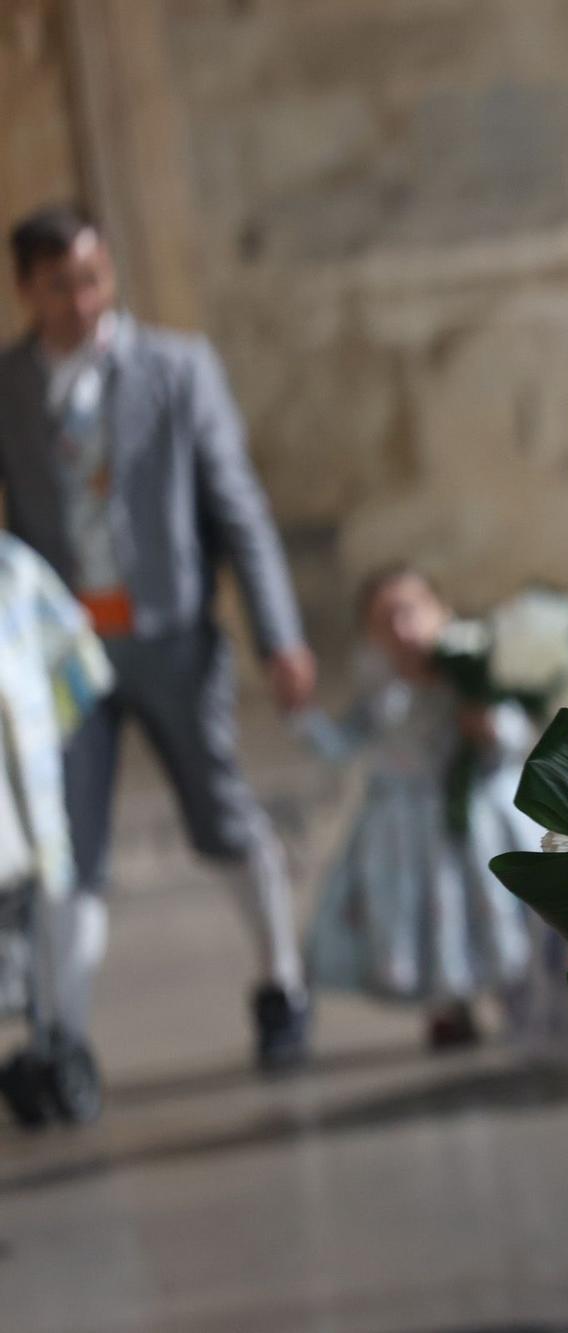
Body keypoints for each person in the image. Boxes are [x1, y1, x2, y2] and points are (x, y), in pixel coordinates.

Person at [0, 204, 315, 1070]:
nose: (81, 300)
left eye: (93, 278)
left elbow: (236, 505)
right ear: (27, 288)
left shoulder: (177, 368)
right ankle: (60, 1035)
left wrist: (276, 633)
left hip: (173, 634)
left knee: (220, 810)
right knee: (67, 837)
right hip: (64, 657)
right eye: (59, 284)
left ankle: (281, 980)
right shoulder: (12, 386)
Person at [295, 567, 538, 1049]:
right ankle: (451, 1003)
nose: (401, 629)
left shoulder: (470, 661)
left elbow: (517, 731)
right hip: (406, 826)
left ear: (440, 611)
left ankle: (520, 995)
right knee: (433, 914)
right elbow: (345, 741)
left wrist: (488, 727)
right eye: (385, 620)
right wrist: (300, 711)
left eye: (409, 611)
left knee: (497, 908)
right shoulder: (378, 681)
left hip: (478, 814)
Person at [0, 532, 113, 1123]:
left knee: (40, 917)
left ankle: (59, 1043)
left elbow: (73, 659)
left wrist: (55, 742)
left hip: (20, 796)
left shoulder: (12, 568)